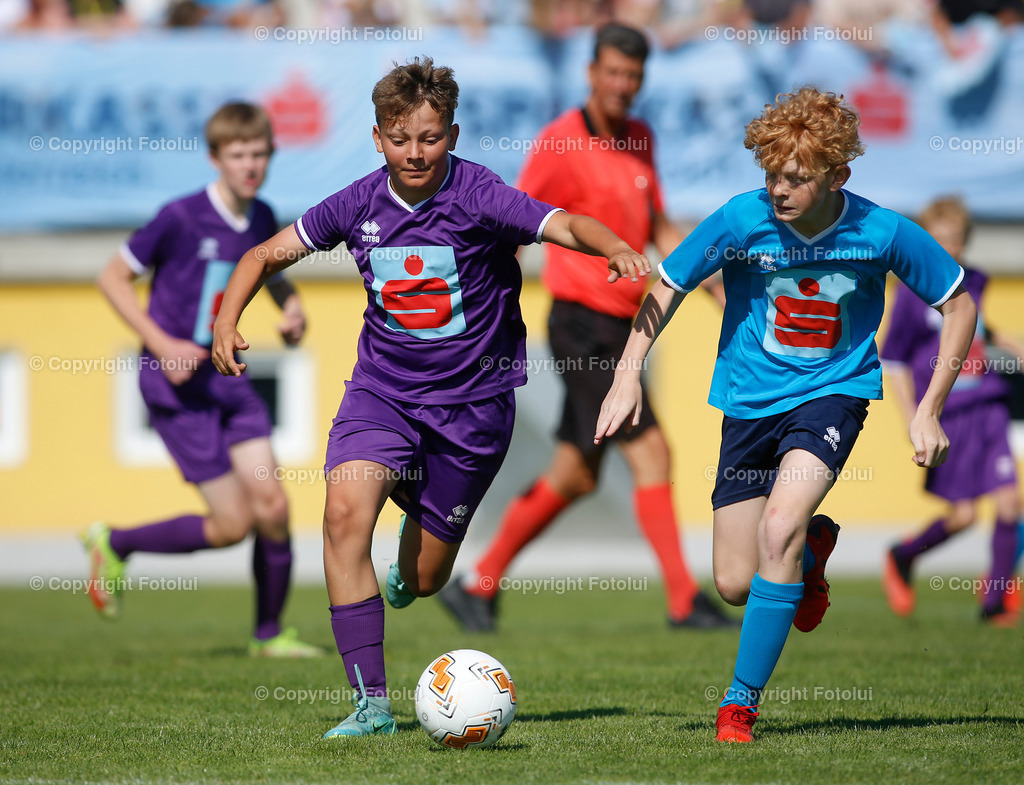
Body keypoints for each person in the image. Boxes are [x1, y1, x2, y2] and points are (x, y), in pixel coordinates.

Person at [209, 57, 653, 739]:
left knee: (424, 578)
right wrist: (226, 318)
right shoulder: (356, 204)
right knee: (342, 517)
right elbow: (263, 255)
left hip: (473, 410)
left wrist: (615, 246)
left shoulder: (481, 195)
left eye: (430, 137)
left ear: (453, 133)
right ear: (378, 138)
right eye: (399, 138)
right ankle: (371, 706)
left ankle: (409, 560)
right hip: (382, 394)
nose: (414, 152)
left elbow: (565, 225)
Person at [595, 87, 977, 743]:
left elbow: (959, 304)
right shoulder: (742, 219)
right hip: (748, 404)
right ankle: (813, 549)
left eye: (796, 178)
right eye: (772, 173)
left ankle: (739, 704)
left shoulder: (880, 230)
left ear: (838, 176)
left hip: (832, 394)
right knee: (733, 581)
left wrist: (930, 409)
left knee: (778, 528)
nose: (778, 189)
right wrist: (627, 372)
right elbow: (670, 283)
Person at [437, 22, 736, 634]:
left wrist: (715, 286)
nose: (622, 85)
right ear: (592, 72)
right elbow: (515, 223)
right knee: (653, 453)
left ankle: (478, 582)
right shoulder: (559, 141)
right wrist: (480, 314)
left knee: (575, 475)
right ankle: (684, 601)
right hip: (579, 326)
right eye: (613, 73)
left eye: (633, 76)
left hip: (624, 327)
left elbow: (657, 223)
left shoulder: (641, 137)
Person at [83, 102, 322, 659]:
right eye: (238, 155)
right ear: (215, 158)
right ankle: (114, 542)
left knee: (273, 508)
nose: (250, 165)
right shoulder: (180, 217)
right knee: (232, 525)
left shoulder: (263, 216)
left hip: (230, 379)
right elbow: (112, 278)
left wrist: (290, 307)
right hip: (177, 389)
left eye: (259, 154)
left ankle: (269, 636)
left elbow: (267, 269)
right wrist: (162, 345)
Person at [881, 195, 1023, 625]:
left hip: (989, 405)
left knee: (1009, 504)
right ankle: (904, 555)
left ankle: (994, 603)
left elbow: (975, 329)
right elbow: (894, 359)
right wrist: (913, 415)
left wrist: (1009, 345)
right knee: (963, 516)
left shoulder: (975, 280)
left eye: (957, 239)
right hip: (949, 413)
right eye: (939, 238)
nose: (949, 247)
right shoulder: (911, 294)